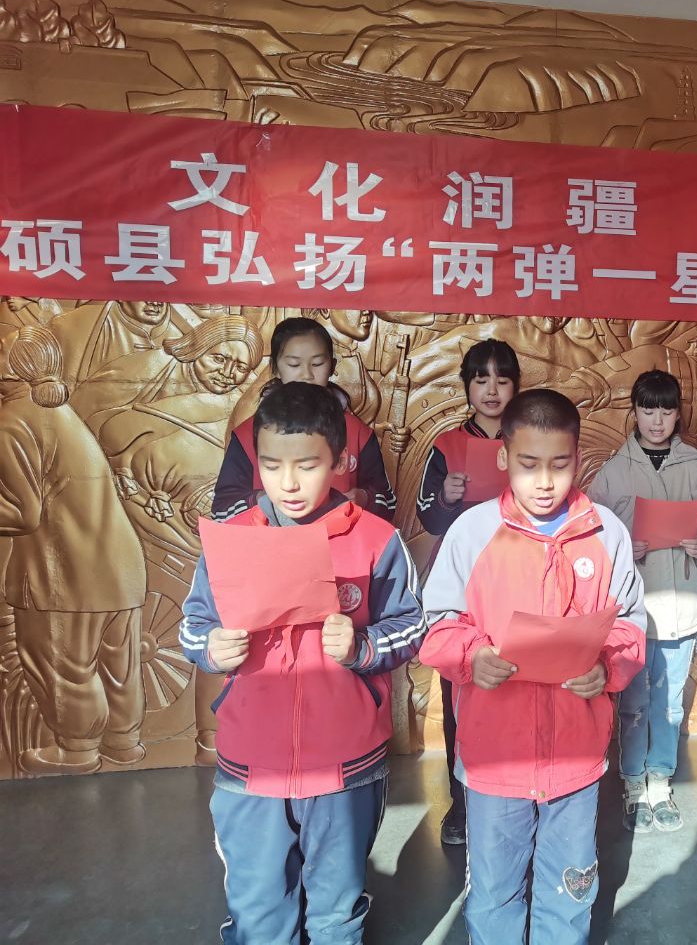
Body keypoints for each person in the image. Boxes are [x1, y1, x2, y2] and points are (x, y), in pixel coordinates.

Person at [180, 381, 425, 944]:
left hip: (345, 764)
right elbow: (193, 624)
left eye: (307, 465)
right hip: (251, 763)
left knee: (336, 913)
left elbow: (413, 626)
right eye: (271, 465)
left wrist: (362, 647)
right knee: (260, 914)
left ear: (339, 461)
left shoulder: (375, 539)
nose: (288, 483)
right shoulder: (232, 540)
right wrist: (211, 646)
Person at [417, 389, 646, 945]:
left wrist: (606, 668)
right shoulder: (471, 533)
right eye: (528, 464)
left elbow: (630, 623)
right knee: (494, 891)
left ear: (578, 459)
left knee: (570, 889)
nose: (545, 481)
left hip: (576, 756)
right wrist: (473, 656)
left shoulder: (605, 532)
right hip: (495, 755)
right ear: (503, 457)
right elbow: (437, 622)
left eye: (560, 465)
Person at [0, 325, 147, 776]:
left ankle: (78, 751)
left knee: (61, 665)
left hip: (66, 575)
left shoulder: (12, 419)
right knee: (120, 665)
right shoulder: (61, 414)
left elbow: (22, 512)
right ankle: (124, 744)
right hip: (119, 568)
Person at [588, 369, 697, 833]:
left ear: (677, 416)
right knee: (632, 703)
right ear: (634, 412)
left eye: (666, 411)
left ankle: (660, 779)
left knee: (670, 704)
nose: (656, 420)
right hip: (632, 612)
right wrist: (624, 545)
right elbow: (589, 534)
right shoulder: (614, 471)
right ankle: (632, 781)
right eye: (648, 410)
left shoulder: (694, 467)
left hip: (681, 608)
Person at [414, 337, 521, 845]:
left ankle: (515, 792)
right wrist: (445, 497)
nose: (492, 390)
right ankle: (461, 804)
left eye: (503, 380)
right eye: (481, 380)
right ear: (467, 387)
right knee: (460, 689)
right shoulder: (446, 445)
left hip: (519, 577)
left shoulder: (528, 437)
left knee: (516, 682)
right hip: (463, 581)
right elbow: (427, 518)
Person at [212, 317, 396, 522]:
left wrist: (364, 498)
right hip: (268, 542)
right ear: (275, 367)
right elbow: (221, 511)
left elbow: (388, 504)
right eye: (294, 364)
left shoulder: (358, 433)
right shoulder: (247, 435)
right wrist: (259, 500)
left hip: (339, 540)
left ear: (332, 366)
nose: (306, 374)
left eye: (317, 363)